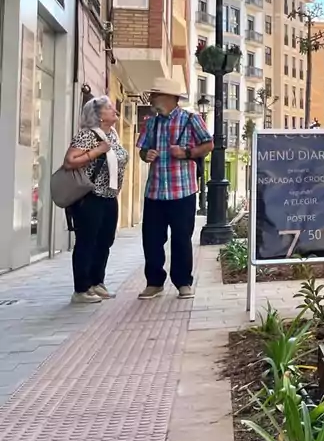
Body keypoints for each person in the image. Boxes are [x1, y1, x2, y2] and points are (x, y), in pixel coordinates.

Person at [136, 77, 214, 299]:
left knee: (181, 238)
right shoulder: (151, 122)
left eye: (155, 95)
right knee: (151, 239)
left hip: (182, 191)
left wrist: (186, 153)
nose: (151, 99)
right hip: (155, 192)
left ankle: (183, 283)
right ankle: (154, 282)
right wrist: (146, 155)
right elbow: (142, 150)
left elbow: (208, 144)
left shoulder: (191, 119)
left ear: (170, 97)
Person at [63, 96, 129, 304]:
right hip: (90, 197)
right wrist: (97, 152)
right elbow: (70, 161)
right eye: (110, 108)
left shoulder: (113, 135)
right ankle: (81, 289)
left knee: (104, 241)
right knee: (86, 241)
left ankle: (96, 283)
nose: (115, 111)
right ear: (99, 115)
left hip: (109, 196)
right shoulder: (87, 136)